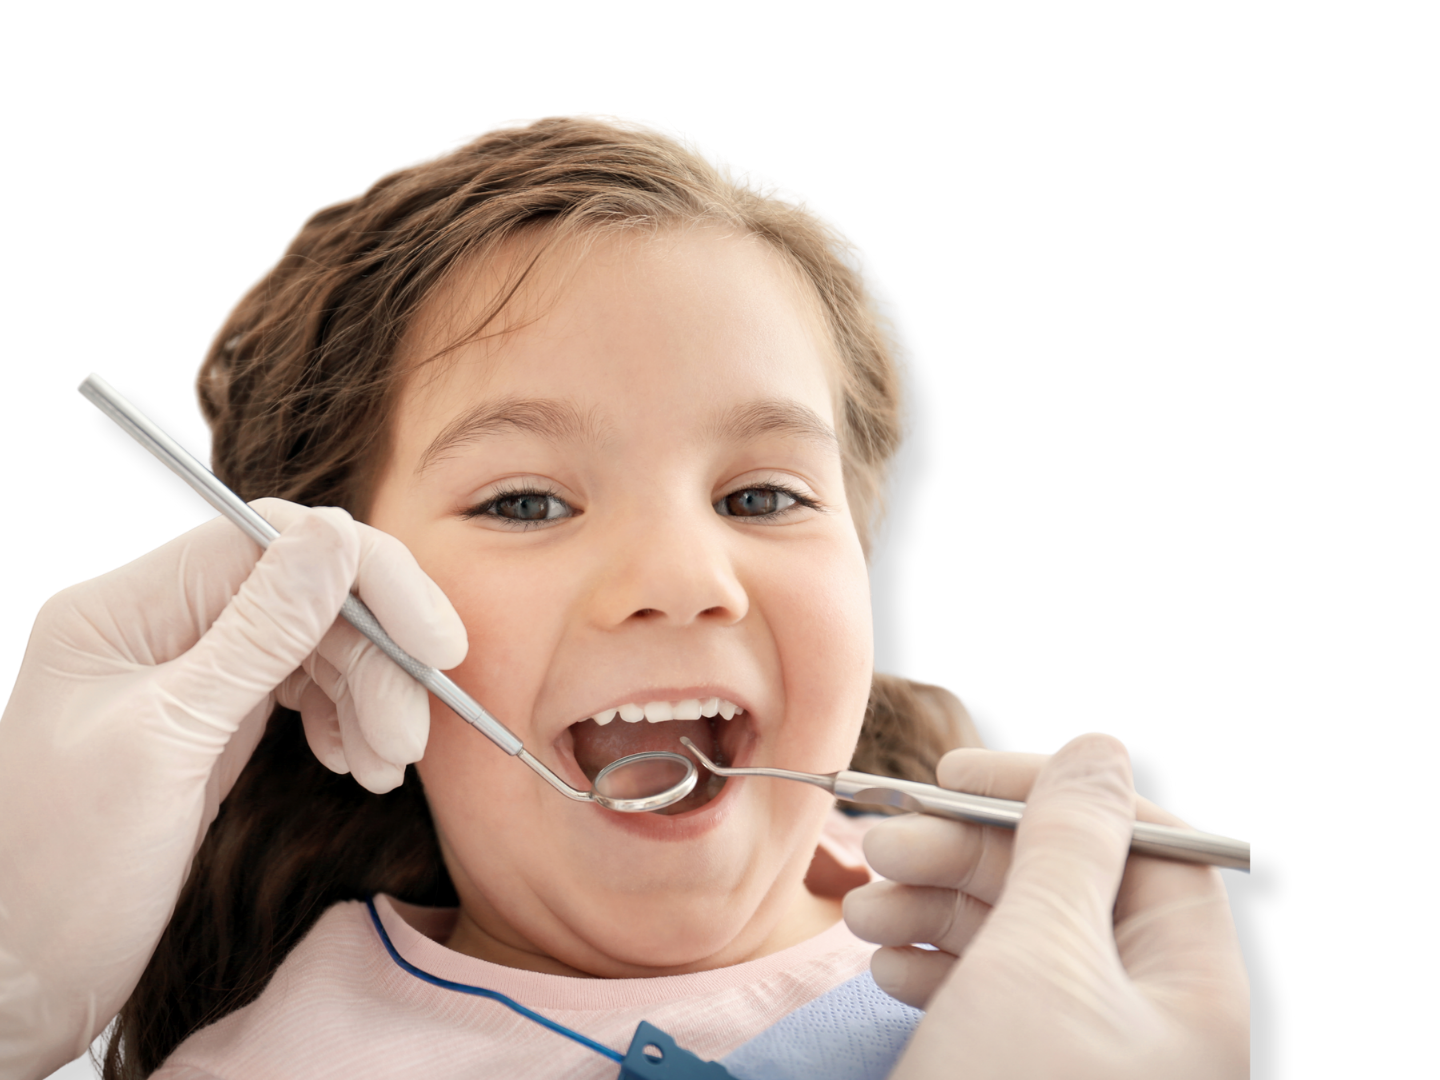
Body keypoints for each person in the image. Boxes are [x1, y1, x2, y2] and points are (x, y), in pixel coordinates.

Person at [0, 112, 1248, 1080]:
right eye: (527, 502)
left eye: (762, 497)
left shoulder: (1109, 968)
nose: (678, 583)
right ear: (335, 627)